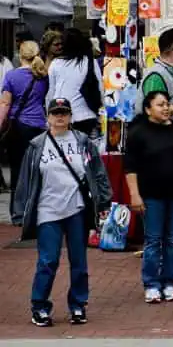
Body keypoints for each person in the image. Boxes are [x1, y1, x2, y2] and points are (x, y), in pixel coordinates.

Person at [12, 97, 113, 327]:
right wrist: (20, 211)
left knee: (79, 261)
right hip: (47, 210)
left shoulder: (82, 141)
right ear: (47, 117)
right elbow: (25, 181)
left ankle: (78, 305)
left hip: (76, 209)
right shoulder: (37, 145)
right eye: (55, 113)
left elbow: (98, 172)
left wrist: (104, 201)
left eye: (64, 113)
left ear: (70, 116)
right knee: (48, 260)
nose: (60, 117)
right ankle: (39, 306)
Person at [124, 91, 173, 304]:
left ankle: (169, 283)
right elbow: (130, 167)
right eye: (159, 105)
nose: (165, 108)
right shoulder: (138, 132)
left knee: (172, 240)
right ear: (148, 109)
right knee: (154, 240)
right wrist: (135, 195)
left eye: (167, 104)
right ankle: (152, 284)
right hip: (151, 195)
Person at [1, 41, 51, 191]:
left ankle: (18, 206)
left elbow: (5, 104)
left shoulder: (12, 76)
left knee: (17, 167)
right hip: (40, 126)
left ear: (20, 54)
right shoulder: (43, 76)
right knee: (37, 167)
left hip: (18, 127)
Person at [45, 29, 104, 137]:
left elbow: (50, 93)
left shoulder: (55, 64)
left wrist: (49, 116)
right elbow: (100, 89)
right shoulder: (90, 61)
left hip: (61, 116)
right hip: (87, 116)